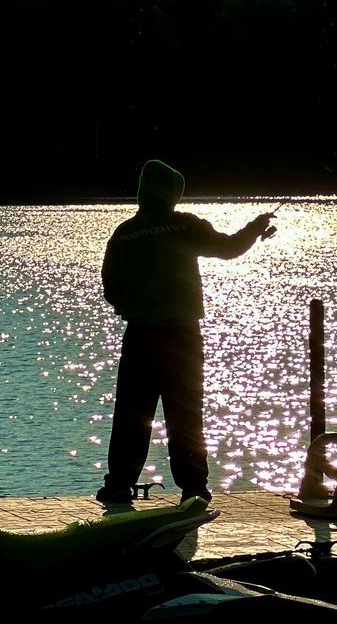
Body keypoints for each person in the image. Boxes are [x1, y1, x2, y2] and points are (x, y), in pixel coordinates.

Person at [95, 159, 275, 507]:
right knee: (186, 414)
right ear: (173, 193)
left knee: (133, 416)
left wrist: (128, 307)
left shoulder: (124, 233)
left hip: (140, 335)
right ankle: (194, 489)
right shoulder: (184, 226)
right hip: (182, 336)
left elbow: (110, 285)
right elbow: (228, 248)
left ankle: (119, 485)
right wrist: (255, 227)